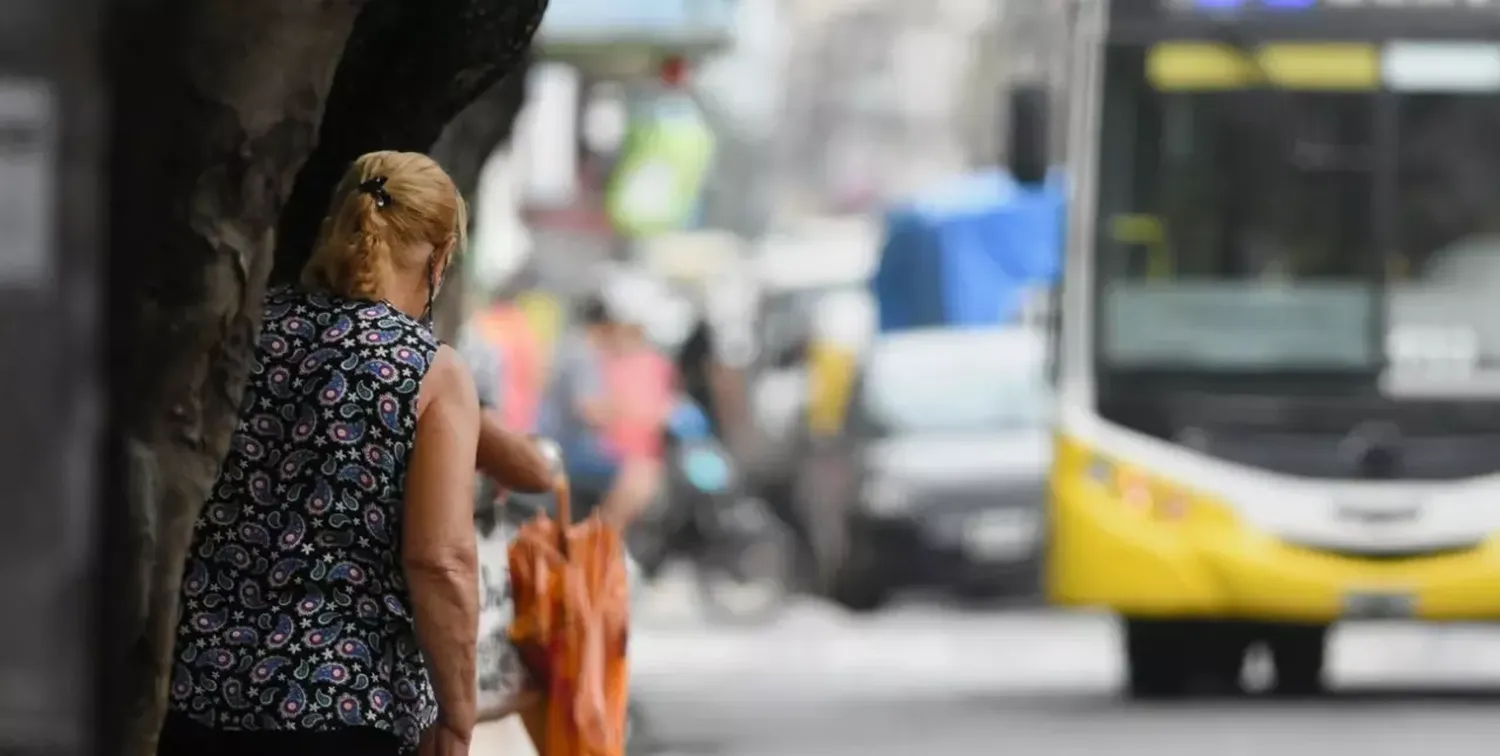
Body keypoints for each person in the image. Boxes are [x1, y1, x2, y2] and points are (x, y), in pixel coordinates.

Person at [159, 150, 547, 756]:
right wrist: (457, 715)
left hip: (198, 696)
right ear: (440, 257)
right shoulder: (427, 370)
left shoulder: (248, 330)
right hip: (342, 705)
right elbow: (440, 559)